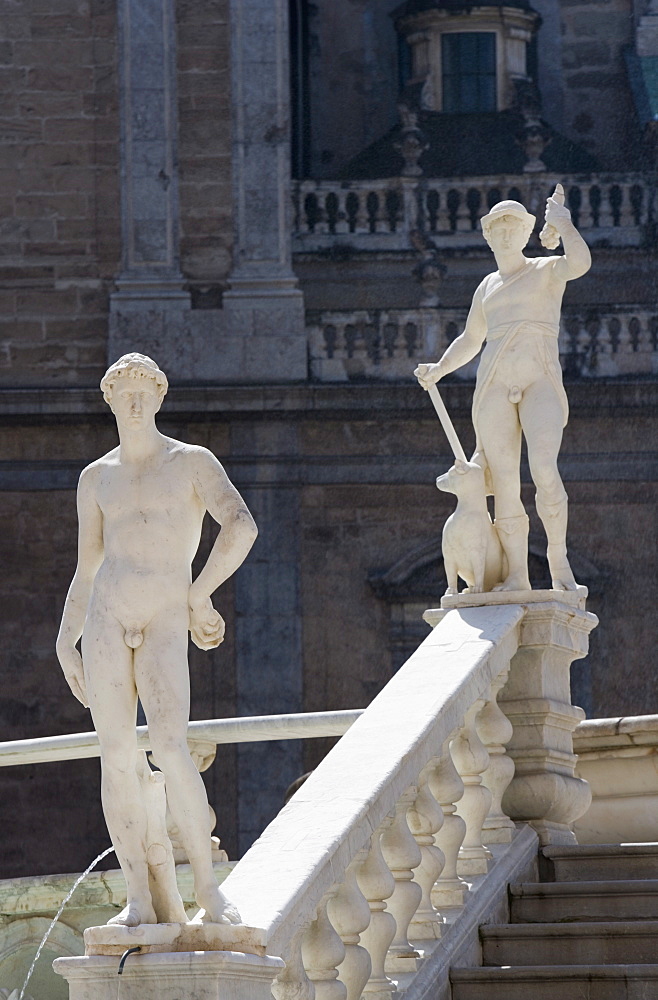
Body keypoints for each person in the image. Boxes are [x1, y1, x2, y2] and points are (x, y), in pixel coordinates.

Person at [56, 353, 258, 926]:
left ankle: (209, 890)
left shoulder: (191, 462)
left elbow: (241, 525)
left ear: (162, 396)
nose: (137, 399)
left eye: (146, 389)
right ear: (112, 400)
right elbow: (87, 567)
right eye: (126, 391)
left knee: (170, 748)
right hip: (105, 616)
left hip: (167, 612)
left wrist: (201, 593)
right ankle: (140, 900)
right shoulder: (96, 477)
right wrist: (65, 638)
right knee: (116, 758)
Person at [415, 194, 591, 591]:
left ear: (528, 232)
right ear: (489, 238)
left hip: (539, 381)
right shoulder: (486, 287)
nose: (507, 234)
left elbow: (580, 263)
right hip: (493, 384)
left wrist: (563, 223)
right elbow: (471, 338)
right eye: (499, 229)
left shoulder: (545, 270)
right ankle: (517, 576)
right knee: (506, 484)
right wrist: (440, 368)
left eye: (514, 227)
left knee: (544, 469)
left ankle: (558, 558)